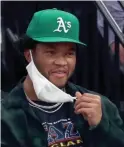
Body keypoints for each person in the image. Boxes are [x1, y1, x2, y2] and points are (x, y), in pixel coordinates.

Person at [1, 8, 124, 147]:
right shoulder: (6, 116)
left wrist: (102, 126)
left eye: (69, 54)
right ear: (29, 55)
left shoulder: (99, 105)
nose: (62, 62)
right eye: (51, 52)